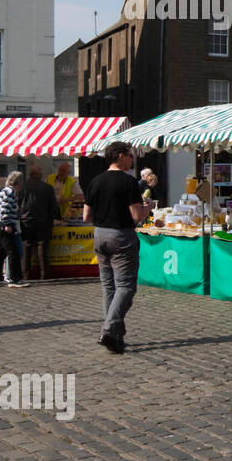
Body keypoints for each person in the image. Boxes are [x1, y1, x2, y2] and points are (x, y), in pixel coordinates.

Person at [84, 142, 152, 354]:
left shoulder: (95, 181)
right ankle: (108, 329)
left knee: (109, 287)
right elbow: (135, 216)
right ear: (121, 156)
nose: (132, 159)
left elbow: (86, 216)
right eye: (130, 155)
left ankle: (116, 336)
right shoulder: (128, 181)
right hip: (122, 236)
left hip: (99, 235)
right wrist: (147, 209)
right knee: (125, 286)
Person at [20, 164, 60, 280]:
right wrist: (52, 218)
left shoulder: (23, 187)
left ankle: (25, 275)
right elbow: (54, 206)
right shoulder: (47, 187)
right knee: (42, 250)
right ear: (40, 175)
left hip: (26, 222)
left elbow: (18, 204)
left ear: (29, 174)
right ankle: (44, 274)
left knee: (26, 249)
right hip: (43, 222)